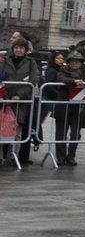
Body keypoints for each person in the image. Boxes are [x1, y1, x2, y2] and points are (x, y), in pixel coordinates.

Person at [1, 38, 39, 167]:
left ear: (25, 50)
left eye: (21, 48)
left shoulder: (31, 63)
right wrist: (5, 96)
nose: (18, 50)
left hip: (21, 102)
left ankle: (12, 156)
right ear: (13, 49)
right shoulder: (5, 61)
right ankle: (1, 157)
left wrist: (19, 95)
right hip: (5, 101)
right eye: (16, 47)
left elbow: (33, 81)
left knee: (17, 130)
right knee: (2, 129)